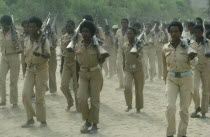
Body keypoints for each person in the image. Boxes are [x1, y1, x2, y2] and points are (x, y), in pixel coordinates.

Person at [162, 21, 197, 137]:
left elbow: (195, 64)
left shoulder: (189, 45)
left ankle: (182, 134)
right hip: (171, 79)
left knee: (184, 109)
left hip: (186, 78)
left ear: (181, 32)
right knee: (170, 107)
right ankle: (170, 133)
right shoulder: (165, 47)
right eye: (171, 31)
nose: (174, 33)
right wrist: (164, 79)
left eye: (176, 31)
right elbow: (164, 65)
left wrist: (192, 57)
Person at [75, 21, 105, 134]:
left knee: (94, 100)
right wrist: (77, 77)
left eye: (87, 31)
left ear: (92, 33)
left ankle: (94, 124)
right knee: (81, 98)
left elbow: (101, 60)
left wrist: (103, 55)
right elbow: (77, 63)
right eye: (83, 31)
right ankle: (87, 120)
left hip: (95, 73)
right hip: (82, 74)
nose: (84, 33)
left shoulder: (97, 44)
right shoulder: (78, 45)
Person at [21, 16, 50, 128]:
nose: (31, 29)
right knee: (25, 95)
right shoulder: (26, 40)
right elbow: (25, 56)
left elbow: (48, 55)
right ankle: (30, 119)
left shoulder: (44, 40)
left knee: (40, 97)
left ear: (38, 27)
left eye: (33, 27)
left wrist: (41, 54)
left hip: (41, 70)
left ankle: (42, 120)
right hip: (29, 69)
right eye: (29, 27)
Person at [119, 27, 144, 113]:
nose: (129, 35)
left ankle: (138, 107)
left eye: (131, 33)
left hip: (138, 69)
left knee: (139, 89)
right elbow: (123, 56)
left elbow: (141, 55)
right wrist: (123, 67)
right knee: (127, 87)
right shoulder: (125, 45)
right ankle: (129, 105)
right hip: (128, 69)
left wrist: (137, 53)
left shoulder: (139, 44)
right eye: (128, 33)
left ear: (134, 34)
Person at [60, 19, 81, 111]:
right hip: (66, 62)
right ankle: (70, 101)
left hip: (76, 62)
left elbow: (81, 48)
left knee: (76, 86)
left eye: (70, 26)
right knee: (63, 86)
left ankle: (78, 106)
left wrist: (74, 49)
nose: (68, 28)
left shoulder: (78, 36)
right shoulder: (63, 37)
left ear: (74, 27)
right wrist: (61, 66)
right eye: (67, 26)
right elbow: (62, 53)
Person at [0, 15, 20, 107]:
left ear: (9, 24)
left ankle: (14, 101)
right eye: (2, 25)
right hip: (4, 57)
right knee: (1, 78)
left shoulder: (15, 33)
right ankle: (3, 100)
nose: (4, 27)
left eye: (6, 25)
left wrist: (15, 40)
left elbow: (19, 47)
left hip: (14, 57)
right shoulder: (0, 33)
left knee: (13, 80)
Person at [190, 25, 210, 119]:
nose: (197, 34)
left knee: (205, 90)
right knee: (194, 88)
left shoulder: (207, 42)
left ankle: (203, 111)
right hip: (196, 67)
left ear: (202, 32)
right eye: (196, 32)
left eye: (199, 32)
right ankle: (197, 107)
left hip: (206, 67)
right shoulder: (192, 42)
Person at [116, 18, 129, 90]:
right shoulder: (118, 31)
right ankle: (121, 84)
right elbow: (116, 40)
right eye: (122, 22)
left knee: (127, 68)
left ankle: (127, 83)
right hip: (120, 50)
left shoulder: (130, 31)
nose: (123, 24)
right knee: (118, 66)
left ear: (127, 23)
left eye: (125, 22)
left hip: (128, 51)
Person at [46, 24, 58, 94]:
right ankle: (45, 87)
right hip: (44, 54)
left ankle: (53, 90)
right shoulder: (43, 34)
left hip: (52, 54)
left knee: (52, 72)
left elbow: (55, 43)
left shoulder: (53, 34)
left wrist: (53, 47)